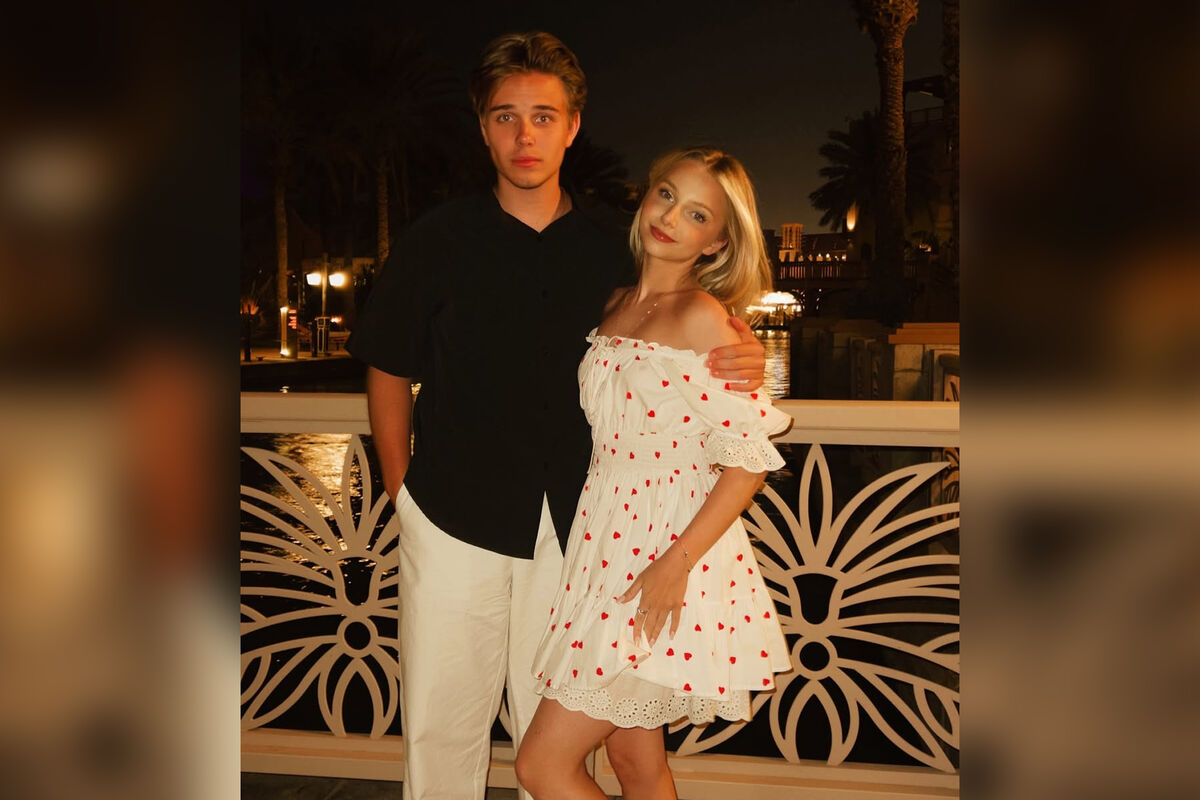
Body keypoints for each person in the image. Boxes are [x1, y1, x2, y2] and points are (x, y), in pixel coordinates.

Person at [345, 33, 767, 800]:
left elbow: (684, 323)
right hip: (451, 514)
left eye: (543, 116)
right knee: (440, 723)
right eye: (505, 117)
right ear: (483, 128)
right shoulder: (437, 239)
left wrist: (748, 354)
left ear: (573, 126)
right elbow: (388, 367)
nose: (524, 135)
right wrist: (402, 492)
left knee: (551, 736)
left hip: (580, 534)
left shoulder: (616, 247)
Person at [514, 147, 793, 799]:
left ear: (716, 241)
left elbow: (746, 463)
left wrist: (675, 564)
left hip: (665, 555)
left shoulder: (701, 316)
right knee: (636, 764)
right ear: (645, 196)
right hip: (604, 545)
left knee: (541, 767)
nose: (671, 217)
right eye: (666, 195)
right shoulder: (615, 302)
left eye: (697, 214)